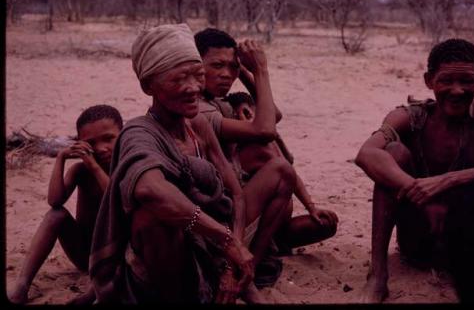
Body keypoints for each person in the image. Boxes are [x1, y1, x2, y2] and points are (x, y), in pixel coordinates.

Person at [89, 24, 292, 304]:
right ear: (148, 85)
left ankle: (243, 278)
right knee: (152, 217)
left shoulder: (197, 124)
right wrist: (227, 240)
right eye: (179, 79)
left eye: (197, 76)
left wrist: (233, 258)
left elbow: (236, 195)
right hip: (173, 257)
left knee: (279, 173)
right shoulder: (139, 132)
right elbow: (150, 189)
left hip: (213, 246)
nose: (193, 87)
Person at [354, 38, 474, 303]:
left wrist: (450, 179)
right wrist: (419, 192)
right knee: (392, 154)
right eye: (446, 81)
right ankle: (378, 276)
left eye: (467, 80)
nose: (457, 90)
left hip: (469, 241)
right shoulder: (410, 117)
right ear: (429, 80)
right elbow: (366, 154)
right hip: (418, 235)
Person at [194, 28, 297, 289]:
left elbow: (272, 115)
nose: (226, 74)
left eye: (232, 67)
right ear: (195, 65)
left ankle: (249, 263)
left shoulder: (217, 102)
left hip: (227, 205)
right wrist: (261, 71)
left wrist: (246, 73)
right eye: (216, 65)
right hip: (210, 213)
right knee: (281, 170)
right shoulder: (199, 109)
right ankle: (249, 266)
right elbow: (265, 129)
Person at [8, 104, 123, 305]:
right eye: (91, 143)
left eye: (108, 139)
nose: (100, 148)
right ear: (80, 143)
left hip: (116, 256)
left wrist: (95, 167)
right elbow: (54, 201)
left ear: (123, 135)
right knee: (55, 215)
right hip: (85, 254)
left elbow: (115, 200)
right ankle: (22, 284)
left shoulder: (126, 167)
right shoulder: (81, 171)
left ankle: (94, 291)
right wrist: (60, 158)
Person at [225, 91, 338, 253]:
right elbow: (285, 167)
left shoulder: (268, 141)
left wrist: (312, 208)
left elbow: (289, 168)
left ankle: (274, 245)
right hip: (249, 224)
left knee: (327, 225)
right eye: (242, 114)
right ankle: (261, 252)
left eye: (251, 112)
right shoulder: (249, 147)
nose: (249, 117)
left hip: (276, 225)